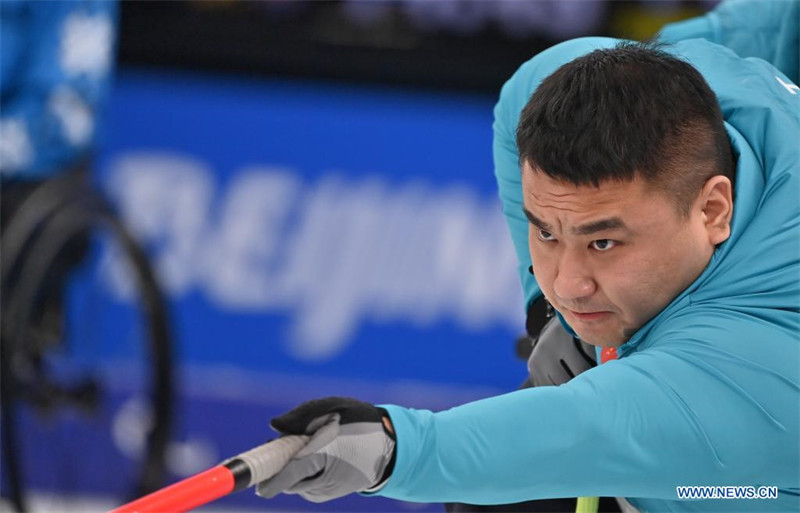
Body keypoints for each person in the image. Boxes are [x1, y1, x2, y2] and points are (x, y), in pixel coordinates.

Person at [252, 1, 800, 511]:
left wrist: (391, 447)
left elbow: (588, 428)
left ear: (712, 210)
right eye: (547, 233)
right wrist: (543, 312)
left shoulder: (759, 361)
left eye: (603, 242)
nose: (568, 284)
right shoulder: (583, 78)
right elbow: (525, 93)